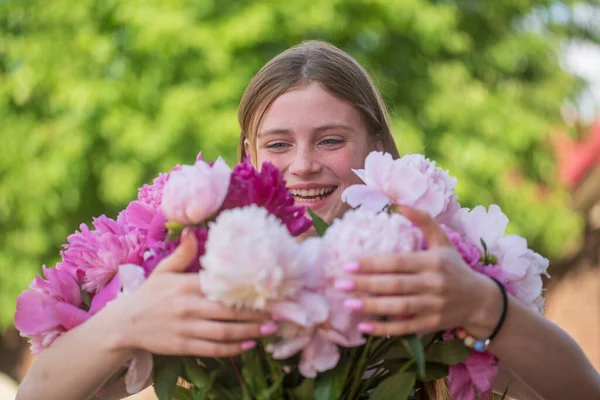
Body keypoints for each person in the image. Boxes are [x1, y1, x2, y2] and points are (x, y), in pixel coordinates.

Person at [17, 41, 600, 400]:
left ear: (377, 147)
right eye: (277, 144)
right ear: (247, 158)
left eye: (330, 140)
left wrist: (482, 307)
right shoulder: (202, 271)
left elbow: (578, 391)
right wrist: (126, 322)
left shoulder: (428, 278)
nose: (302, 165)